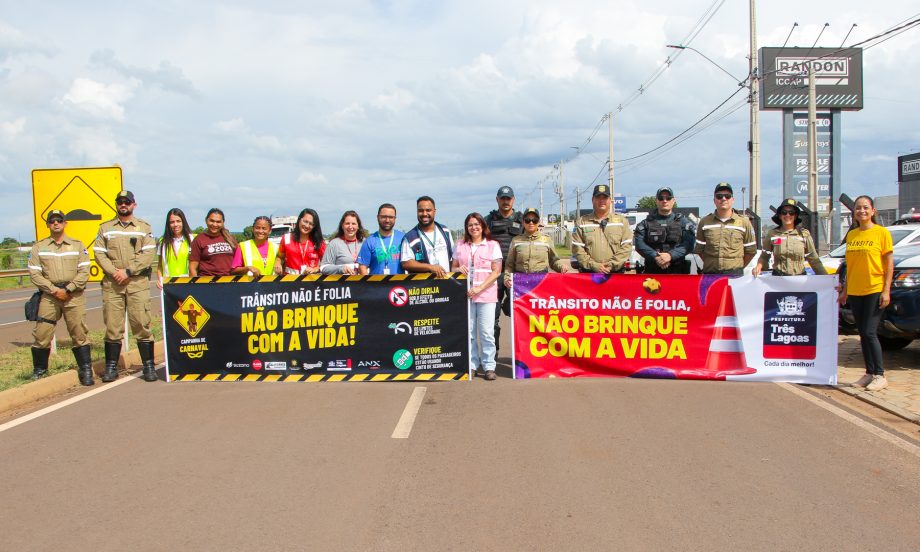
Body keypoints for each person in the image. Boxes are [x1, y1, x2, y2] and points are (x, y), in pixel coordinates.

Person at [93, 190, 158, 382]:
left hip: (137, 282)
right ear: (116, 204)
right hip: (113, 284)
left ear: (134, 205)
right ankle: (111, 368)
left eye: (127, 202)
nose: (124, 205)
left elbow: (148, 254)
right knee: (113, 326)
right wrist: (115, 272)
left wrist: (128, 271)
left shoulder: (143, 227)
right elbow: (99, 253)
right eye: (120, 202)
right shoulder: (105, 228)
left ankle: (148, 366)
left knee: (141, 324)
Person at [28, 210, 93, 385]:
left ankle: (86, 369)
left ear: (65, 223)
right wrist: (55, 290)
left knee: (78, 333)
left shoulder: (77, 245)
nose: (56, 223)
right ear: (48, 224)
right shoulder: (38, 247)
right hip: (50, 296)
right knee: (42, 333)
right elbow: (34, 273)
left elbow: (84, 271)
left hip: (73, 295)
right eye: (52, 221)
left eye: (59, 220)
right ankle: (40, 370)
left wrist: (69, 289)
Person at [838, 195, 893, 392]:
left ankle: (880, 374)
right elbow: (850, 267)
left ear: (873, 211)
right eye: (858, 208)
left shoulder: (881, 233)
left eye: (865, 207)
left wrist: (886, 290)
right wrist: (845, 290)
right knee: (862, 333)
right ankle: (869, 373)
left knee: (870, 332)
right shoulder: (852, 235)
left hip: (874, 289)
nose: (862, 211)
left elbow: (889, 264)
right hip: (856, 291)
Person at [451, 213, 502, 380]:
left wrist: (479, 288)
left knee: (487, 332)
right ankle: (472, 365)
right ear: (466, 228)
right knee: (470, 332)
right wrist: (458, 270)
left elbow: (496, 272)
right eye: (470, 225)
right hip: (466, 295)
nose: (474, 227)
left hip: (486, 294)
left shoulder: (492, 245)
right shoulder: (460, 245)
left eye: (477, 224)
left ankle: (489, 366)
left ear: (482, 226)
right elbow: (453, 267)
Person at [485, 186, 523, 350]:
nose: (505, 201)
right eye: (503, 198)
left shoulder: (523, 220)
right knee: (492, 316)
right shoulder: (488, 220)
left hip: (516, 275)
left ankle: (522, 355)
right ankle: (493, 357)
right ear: (497, 199)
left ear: (513, 200)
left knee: (521, 315)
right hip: (495, 275)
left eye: (508, 199)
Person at [694, 182, 757, 275]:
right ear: (714, 200)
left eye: (727, 196)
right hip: (710, 275)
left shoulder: (744, 223)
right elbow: (699, 250)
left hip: (735, 275)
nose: (723, 199)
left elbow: (751, 251)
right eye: (719, 196)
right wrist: (712, 263)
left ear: (732, 200)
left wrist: (736, 266)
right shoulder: (704, 222)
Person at [753, 198, 827, 277]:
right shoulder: (772, 234)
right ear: (780, 215)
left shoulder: (804, 234)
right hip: (777, 280)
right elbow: (764, 256)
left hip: (799, 281)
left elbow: (814, 259)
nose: (787, 215)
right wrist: (758, 267)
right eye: (784, 212)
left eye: (791, 213)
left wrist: (827, 279)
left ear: (795, 216)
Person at [571, 184, 633, 273]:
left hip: (615, 273)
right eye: (598, 197)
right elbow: (577, 248)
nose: (602, 201)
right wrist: (594, 265)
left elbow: (626, 247)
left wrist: (611, 265)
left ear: (610, 200)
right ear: (593, 200)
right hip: (589, 274)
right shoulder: (582, 222)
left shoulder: (622, 222)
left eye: (605, 198)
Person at [633, 187, 695, 274]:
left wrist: (670, 255)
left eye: (668, 198)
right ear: (656, 201)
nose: (664, 201)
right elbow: (639, 245)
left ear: (673, 201)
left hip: (678, 274)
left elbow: (689, 244)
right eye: (661, 198)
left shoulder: (683, 222)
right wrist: (656, 256)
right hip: (652, 273)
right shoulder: (645, 223)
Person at [503, 208, 569, 288]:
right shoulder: (516, 240)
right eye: (527, 220)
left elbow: (553, 260)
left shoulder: (547, 240)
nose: (531, 223)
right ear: (523, 222)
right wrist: (507, 277)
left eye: (534, 220)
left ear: (539, 222)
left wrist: (561, 267)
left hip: (541, 281)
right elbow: (509, 264)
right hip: (521, 282)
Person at [401, 196, 454, 276]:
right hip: (425, 287)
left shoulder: (445, 231)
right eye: (421, 211)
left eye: (428, 210)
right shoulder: (409, 237)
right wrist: (430, 267)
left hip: (447, 282)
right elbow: (406, 263)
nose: (424, 214)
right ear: (417, 212)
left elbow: (454, 256)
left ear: (434, 211)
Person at [275, 208, 326, 275]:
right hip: (289, 281)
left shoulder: (318, 241)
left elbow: (326, 264)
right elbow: (280, 257)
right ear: (299, 219)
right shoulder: (286, 238)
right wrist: (277, 263)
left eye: (311, 224)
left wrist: (315, 269)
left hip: (310, 282)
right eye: (305, 221)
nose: (307, 226)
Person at [358, 203, 405, 275]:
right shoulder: (369, 241)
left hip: (399, 285)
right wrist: (369, 286)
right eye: (384, 217)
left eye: (391, 217)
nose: (387, 220)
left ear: (395, 218)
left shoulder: (403, 238)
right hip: (377, 285)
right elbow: (362, 267)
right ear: (377, 217)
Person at [189, 208, 237, 277]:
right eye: (212, 221)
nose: (214, 224)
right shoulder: (199, 239)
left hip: (228, 282)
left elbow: (237, 263)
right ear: (206, 220)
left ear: (223, 222)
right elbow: (192, 268)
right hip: (207, 283)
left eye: (218, 222)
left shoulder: (230, 238)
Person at [156, 208, 194, 288]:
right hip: (169, 287)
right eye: (172, 222)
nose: (175, 224)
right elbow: (160, 265)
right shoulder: (162, 241)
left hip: (188, 285)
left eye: (178, 221)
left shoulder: (192, 239)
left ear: (183, 222)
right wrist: (159, 279)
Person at [321, 210, 367, 275]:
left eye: (353, 224)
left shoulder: (365, 243)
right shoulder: (334, 243)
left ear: (358, 226)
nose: (350, 227)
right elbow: (324, 267)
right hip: (342, 284)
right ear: (342, 226)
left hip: (363, 284)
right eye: (347, 223)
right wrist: (341, 269)